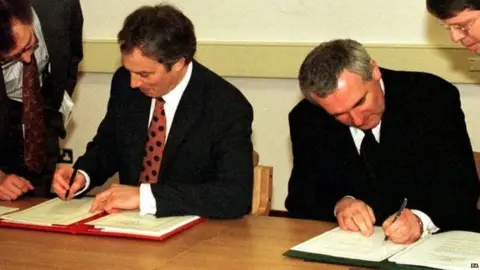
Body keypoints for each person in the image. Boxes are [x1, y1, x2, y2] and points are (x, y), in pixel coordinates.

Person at [52, 4, 254, 219]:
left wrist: (144, 196)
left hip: (196, 234)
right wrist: (83, 174)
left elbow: (234, 196)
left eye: (144, 74)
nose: (133, 83)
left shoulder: (226, 105)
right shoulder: (124, 82)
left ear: (178, 63)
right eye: (129, 71)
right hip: (127, 225)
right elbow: (109, 145)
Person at [285, 39, 480, 244]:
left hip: (441, 242)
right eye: (339, 114)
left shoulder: (431, 96)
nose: (357, 120)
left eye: (360, 102)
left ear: (374, 71)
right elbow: (300, 198)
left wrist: (421, 221)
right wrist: (340, 204)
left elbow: (463, 188)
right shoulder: (307, 118)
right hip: (358, 248)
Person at [0, 0, 83, 200]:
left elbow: (71, 59)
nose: (28, 58)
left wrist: (48, 108)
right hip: (4, 113)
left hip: (41, 111)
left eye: (30, 44)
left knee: (38, 207)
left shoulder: (60, 7)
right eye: (11, 57)